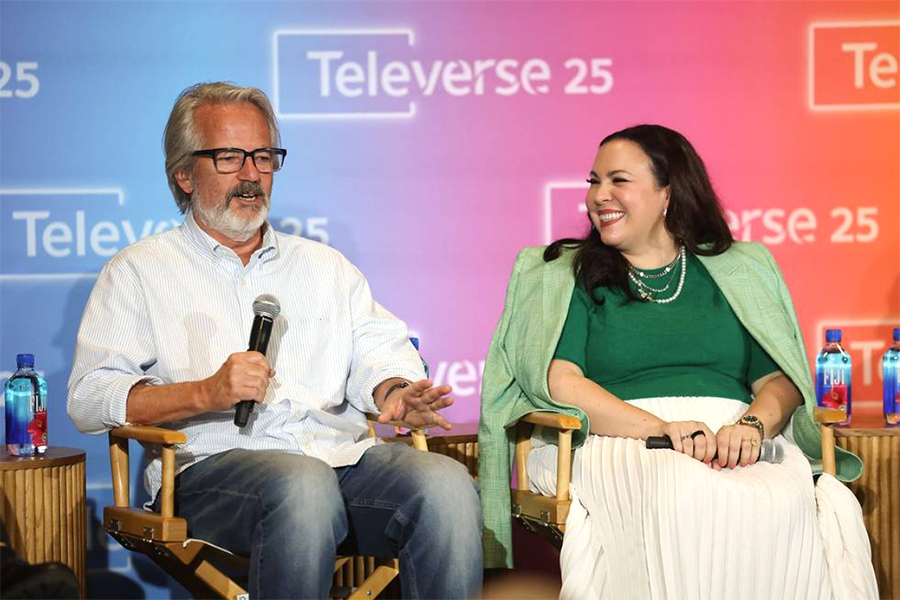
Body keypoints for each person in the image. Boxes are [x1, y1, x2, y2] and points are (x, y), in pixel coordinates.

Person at [67, 82, 482, 600]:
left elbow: (378, 351)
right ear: (183, 174)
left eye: (263, 157)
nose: (251, 175)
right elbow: (89, 397)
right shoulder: (138, 271)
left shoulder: (324, 266)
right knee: (301, 485)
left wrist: (394, 392)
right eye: (229, 157)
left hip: (339, 462)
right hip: (210, 475)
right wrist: (204, 392)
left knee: (445, 486)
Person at [478, 125, 875, 598]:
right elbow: (560, 380)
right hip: (618, 435)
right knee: (679, 488)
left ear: (667, 193)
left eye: (618, 180)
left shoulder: (738, 268)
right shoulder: (569, 272)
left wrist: (752, 426)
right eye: (594, 181)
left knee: (784, 495)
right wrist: (661, 429)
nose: (598, 196)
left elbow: (778, 379)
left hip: (733, 434)